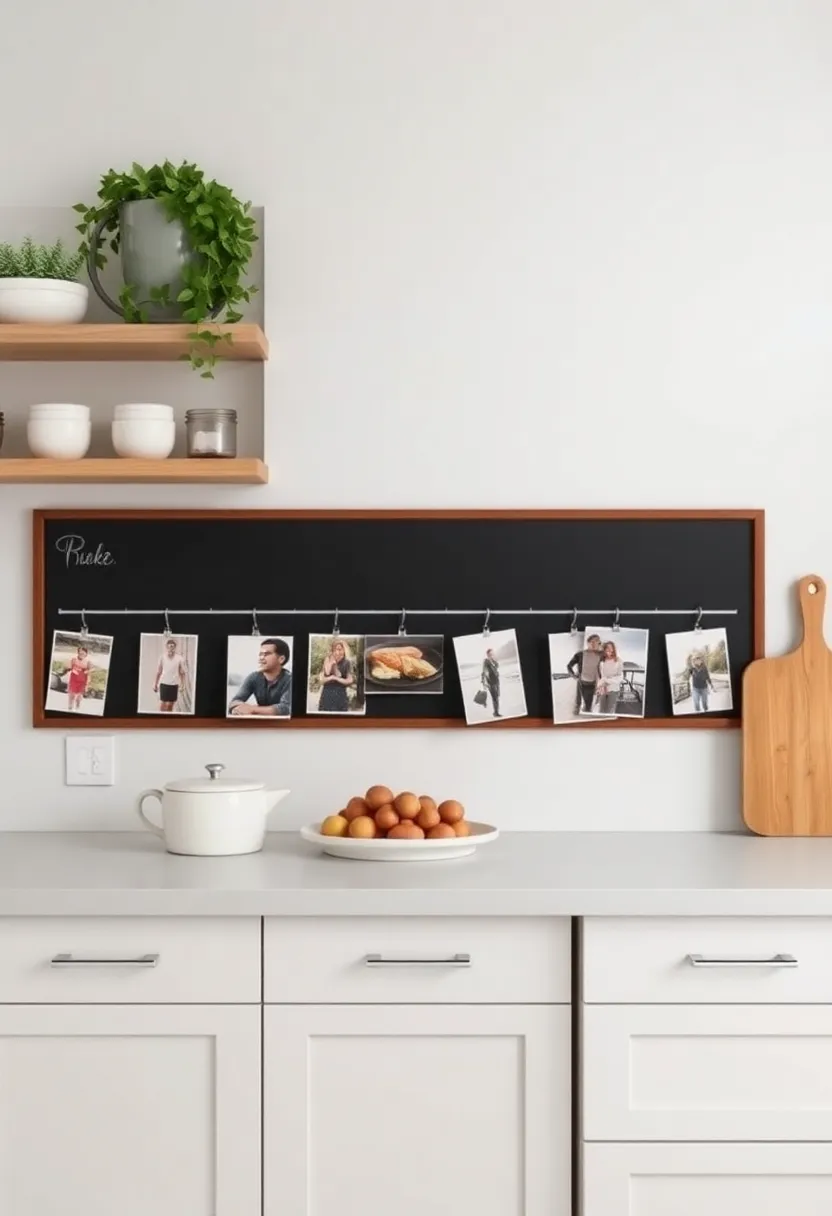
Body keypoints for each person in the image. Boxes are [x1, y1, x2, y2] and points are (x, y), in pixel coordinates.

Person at [229, 638, 292, 717]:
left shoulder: (290, 680)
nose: (261, 658)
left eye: (266, 654)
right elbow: (234, 701)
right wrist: (236, 709)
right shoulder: (253, 677)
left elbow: (285, 708)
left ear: (281, 659)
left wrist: (253, 709)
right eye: (260, 654)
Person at [567, 634, 603, 713]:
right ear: (588, 643)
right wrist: (573, 676)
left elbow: (611, 656)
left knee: (588, 708)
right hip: (581, 683)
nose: (594, 644)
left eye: (597, 642)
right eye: (592, 642)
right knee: (577, 705)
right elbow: (569, 666)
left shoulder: (600, 655)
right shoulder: (580, 654)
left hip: (592, 684)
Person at [318, 639, 354, 712]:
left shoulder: (347, 662)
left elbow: (340, 676)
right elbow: (326, 674)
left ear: (344, 650)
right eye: (335, 650)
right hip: (327, 693)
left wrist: (335, 676)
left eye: (340, 650)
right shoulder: (328, 659)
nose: (337, 652)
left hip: (340, 694)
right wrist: (332, 663)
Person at [154, 637, 187, 713]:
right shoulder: (162, 657)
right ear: (166, 647)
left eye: (172, 646)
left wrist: (183, 685)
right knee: (163, 704)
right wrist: (155, 684)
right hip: (164, 683)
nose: (171, 648)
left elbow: (182, 673)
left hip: (174, 684)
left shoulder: (180, 658)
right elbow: (158, 672)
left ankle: (168, 720)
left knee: (170, 705)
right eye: (169, 646)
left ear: (175, 647)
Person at [596, 640, 623, 715]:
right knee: (601, 710)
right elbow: (601, 676)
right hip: (602, 689)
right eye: (607, 648)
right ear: (604, 650)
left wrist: (607, 681)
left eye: (611, 648)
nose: (609, 650)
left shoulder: (618, 661)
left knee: (610, 711)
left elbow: (620, 676)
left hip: (613, 689)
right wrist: (600, 686)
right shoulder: (602, 661)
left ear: (614, 649)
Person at [65, 645, 92, 712]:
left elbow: (90, 672)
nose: (81, 654)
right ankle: (70, 709)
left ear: (86, 654)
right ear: (78, 653)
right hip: (73, 680)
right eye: (80, 653)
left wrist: (87, 684)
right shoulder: (74, 660)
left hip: (82, 681)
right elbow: (68, 668)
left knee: (79, 698)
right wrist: (71, 669)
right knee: (71, 696)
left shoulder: (88, 662)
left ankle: (77, 710)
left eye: (83, 653)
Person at [481, 647, 501, 718]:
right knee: (495, 697)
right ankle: (496, 712)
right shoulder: (486, 661)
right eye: (490, 654)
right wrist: (485, 682)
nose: (492, 655)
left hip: (496, 681)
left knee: (497, 696)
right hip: (491, 682)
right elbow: (484, 671)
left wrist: (493, 660)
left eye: (492, 653)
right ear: (487, 654)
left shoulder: (493, 661)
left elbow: (497, 666)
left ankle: (496, 712)